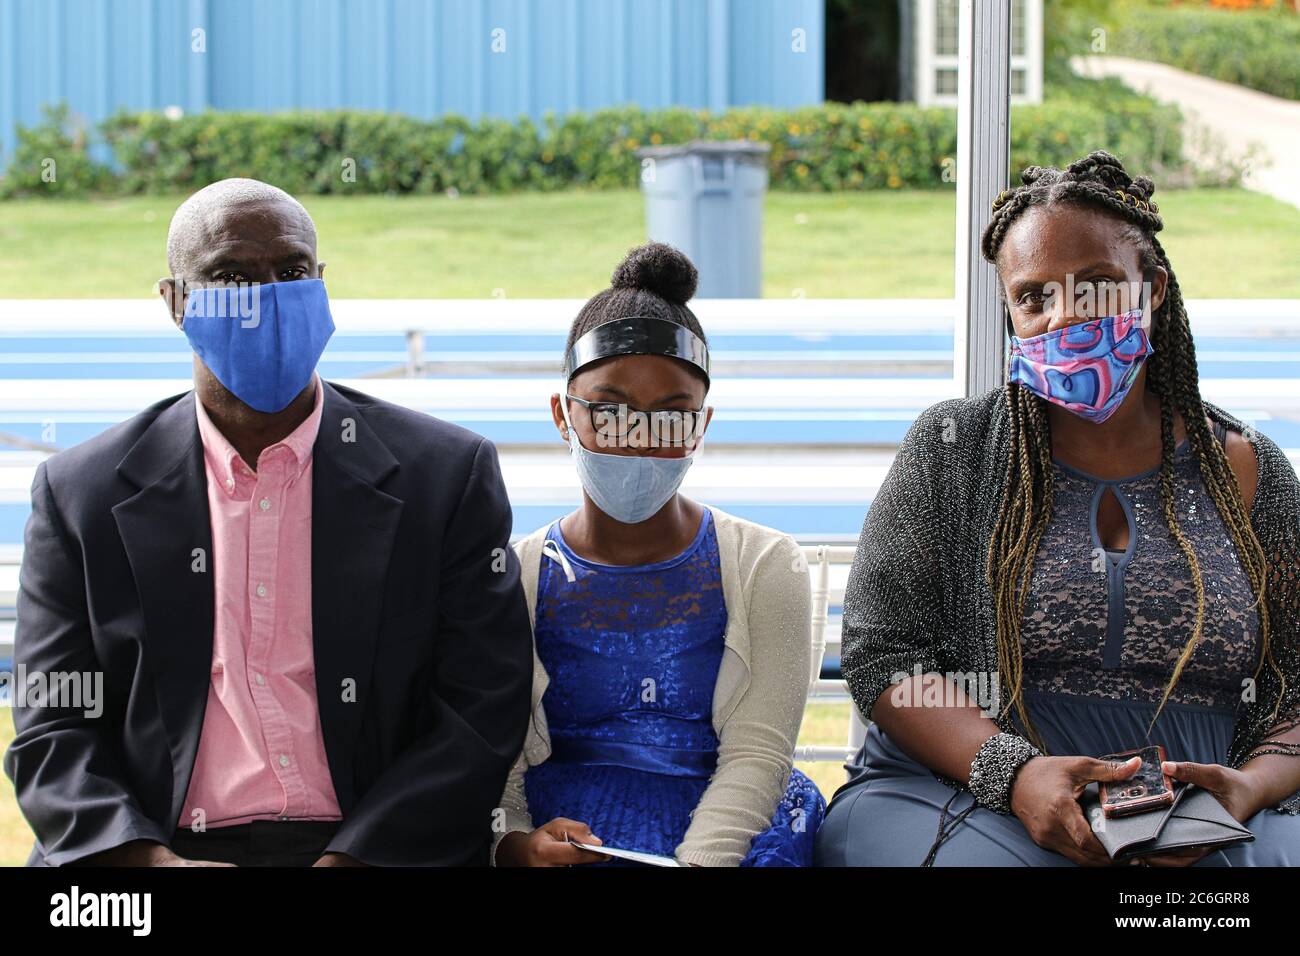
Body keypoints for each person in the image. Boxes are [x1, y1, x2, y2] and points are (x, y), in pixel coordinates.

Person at [3, 178, 535, 866]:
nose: (268, 299)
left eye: (290, 274)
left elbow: (479, 709)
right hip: (156, 852)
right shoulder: (82, 494)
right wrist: (147, 864)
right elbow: (52, 724)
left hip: (373, 850)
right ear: (175, 302)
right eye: (230, 276)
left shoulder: (444, 475)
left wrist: (355, 861)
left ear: (321, 285)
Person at [815, 150, 1300, 867]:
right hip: (960, 795)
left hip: (1208, 821)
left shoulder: (1249, 468)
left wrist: (1247, 790)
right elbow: (885, 653)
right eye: (1033, 297)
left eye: (1098, 288)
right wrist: (1012, 775)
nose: (1065, 315)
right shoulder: (954, 449)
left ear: (1153, 289)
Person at [491, 242, 825, 867]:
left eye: (671, 417)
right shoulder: (514, 578)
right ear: (563, 415)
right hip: (570, 832)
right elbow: (497, 762)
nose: (639, 440)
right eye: (610, 413)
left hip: (736, 829)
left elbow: (758, 755)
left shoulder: (764, 565)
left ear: (702, 425)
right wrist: (512, 842)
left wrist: (697, 863)